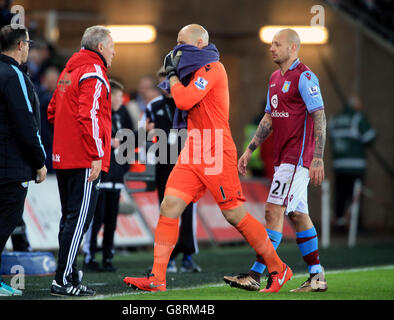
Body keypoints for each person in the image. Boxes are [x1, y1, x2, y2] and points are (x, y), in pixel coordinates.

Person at [123, 24, 291, 293]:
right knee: (169, 207)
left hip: (215, 149)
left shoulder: (214, 68)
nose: (177, 49)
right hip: (194, 148)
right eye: (175, 43)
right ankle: (157, 278)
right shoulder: (190, 72)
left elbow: (184, 101)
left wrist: (173, 74)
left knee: (234, 214)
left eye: (183, 42)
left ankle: (279, 268)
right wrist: (175, 76)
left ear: (200, 43)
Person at [223, 28, 328, 292]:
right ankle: (317, 276)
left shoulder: (305, 76)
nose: (272, 48)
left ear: (293, 48)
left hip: (297, 157)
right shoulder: (273, 78)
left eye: (277, 44)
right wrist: (249, 150)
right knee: (298, 214)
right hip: (283, 158)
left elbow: (319, 116)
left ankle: (259, 273)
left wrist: (317, 158)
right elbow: (269, 119)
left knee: (273, 210)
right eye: (271, 44)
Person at [0, 24, 47, 297]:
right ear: (19, 45)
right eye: (27, 43)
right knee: (7, 217)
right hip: (11, 162)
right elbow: (26, 122)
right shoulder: (14, 75)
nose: (28, 47)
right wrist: (39, 161)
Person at [47, 25, 115, 296]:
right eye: (112, 47)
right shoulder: (94, 72)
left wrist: (67, 137)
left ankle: (70, 276)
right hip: (85, 158)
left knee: (70, 220)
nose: (114, 53)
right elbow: (89, 115)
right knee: (79, 221)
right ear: (100, 47)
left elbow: (52, 111)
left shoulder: (68, 70)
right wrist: (96, 153)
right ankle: (63, 280)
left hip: (64, 157)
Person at [146, 67, 201, 273]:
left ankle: (187, 256)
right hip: (163, 165)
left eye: (169, 82)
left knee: (188, 212)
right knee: (166, 211)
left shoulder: (187, 102)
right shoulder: (153, 106)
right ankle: (166, 258)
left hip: (187, 164)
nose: (166, 88)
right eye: (162, 83)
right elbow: (144, 132)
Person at [83, 79, 132, 273]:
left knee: (111, 221)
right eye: (119, 96)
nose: (121, 100)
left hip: (116, 178)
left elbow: (128, 141)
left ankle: (107, 256)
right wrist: (109, 142)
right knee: (97, 219)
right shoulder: (101, 115)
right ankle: (90, 256)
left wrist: (123, 168)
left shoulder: (122, 115)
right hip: (102, 177)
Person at [329, 94, 376, 232]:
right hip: (356, 166)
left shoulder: (334, 119)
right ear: (355, 105)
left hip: (339, 165)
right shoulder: (358, 118)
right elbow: (370, 137)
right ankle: (357, 227)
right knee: (355, 198)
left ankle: (339, 225)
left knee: (340, 196)